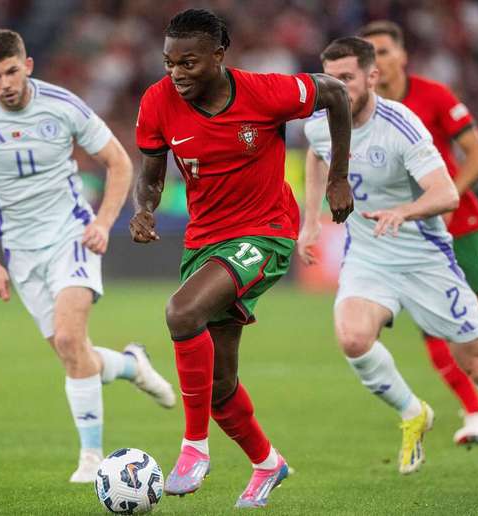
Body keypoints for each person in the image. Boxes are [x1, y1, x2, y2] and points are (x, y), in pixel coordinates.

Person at [131, 8, 354, 508]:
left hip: (265, 232)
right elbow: (150, 169)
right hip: (204, 242)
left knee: (181, 311)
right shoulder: (157, 101)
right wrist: (144, 210)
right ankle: (267, 463)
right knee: (218, 385)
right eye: (170, 63)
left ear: (218, 55)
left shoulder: (266, 92)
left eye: (189, 62)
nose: (178, 74)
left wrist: (338, 176)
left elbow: (336, 93)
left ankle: (193, 448)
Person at [300, 36, 478, 488]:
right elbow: (316, 159)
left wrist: (405, 211)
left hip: (424, 258)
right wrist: (310, 220)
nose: (337, 89)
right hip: (369, 257)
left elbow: (447, 192)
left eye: (347, 79)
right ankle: (414, 413)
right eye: (329, 80)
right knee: (352, 339)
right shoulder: (318, 121)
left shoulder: (402, 125)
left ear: (372, 77)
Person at [0, 29, 176, 483]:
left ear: (27, 65)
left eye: (12, 71)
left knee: (73, 342)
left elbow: (119, 162)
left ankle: (92, 460)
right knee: (71, 353)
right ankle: (133, 365)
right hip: (20, 251)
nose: (5, 84)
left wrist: (102, 222)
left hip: (71, 236)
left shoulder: (63, 105)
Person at [355, 21, 478, 444]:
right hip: (408, 229)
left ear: (403, 56)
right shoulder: (361, 107)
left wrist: (447, 198)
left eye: (385, 51)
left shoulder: (433, 95)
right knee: (431, 323)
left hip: (459, 222)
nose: (379, 61)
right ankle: (475, 413)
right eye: (369, 54)